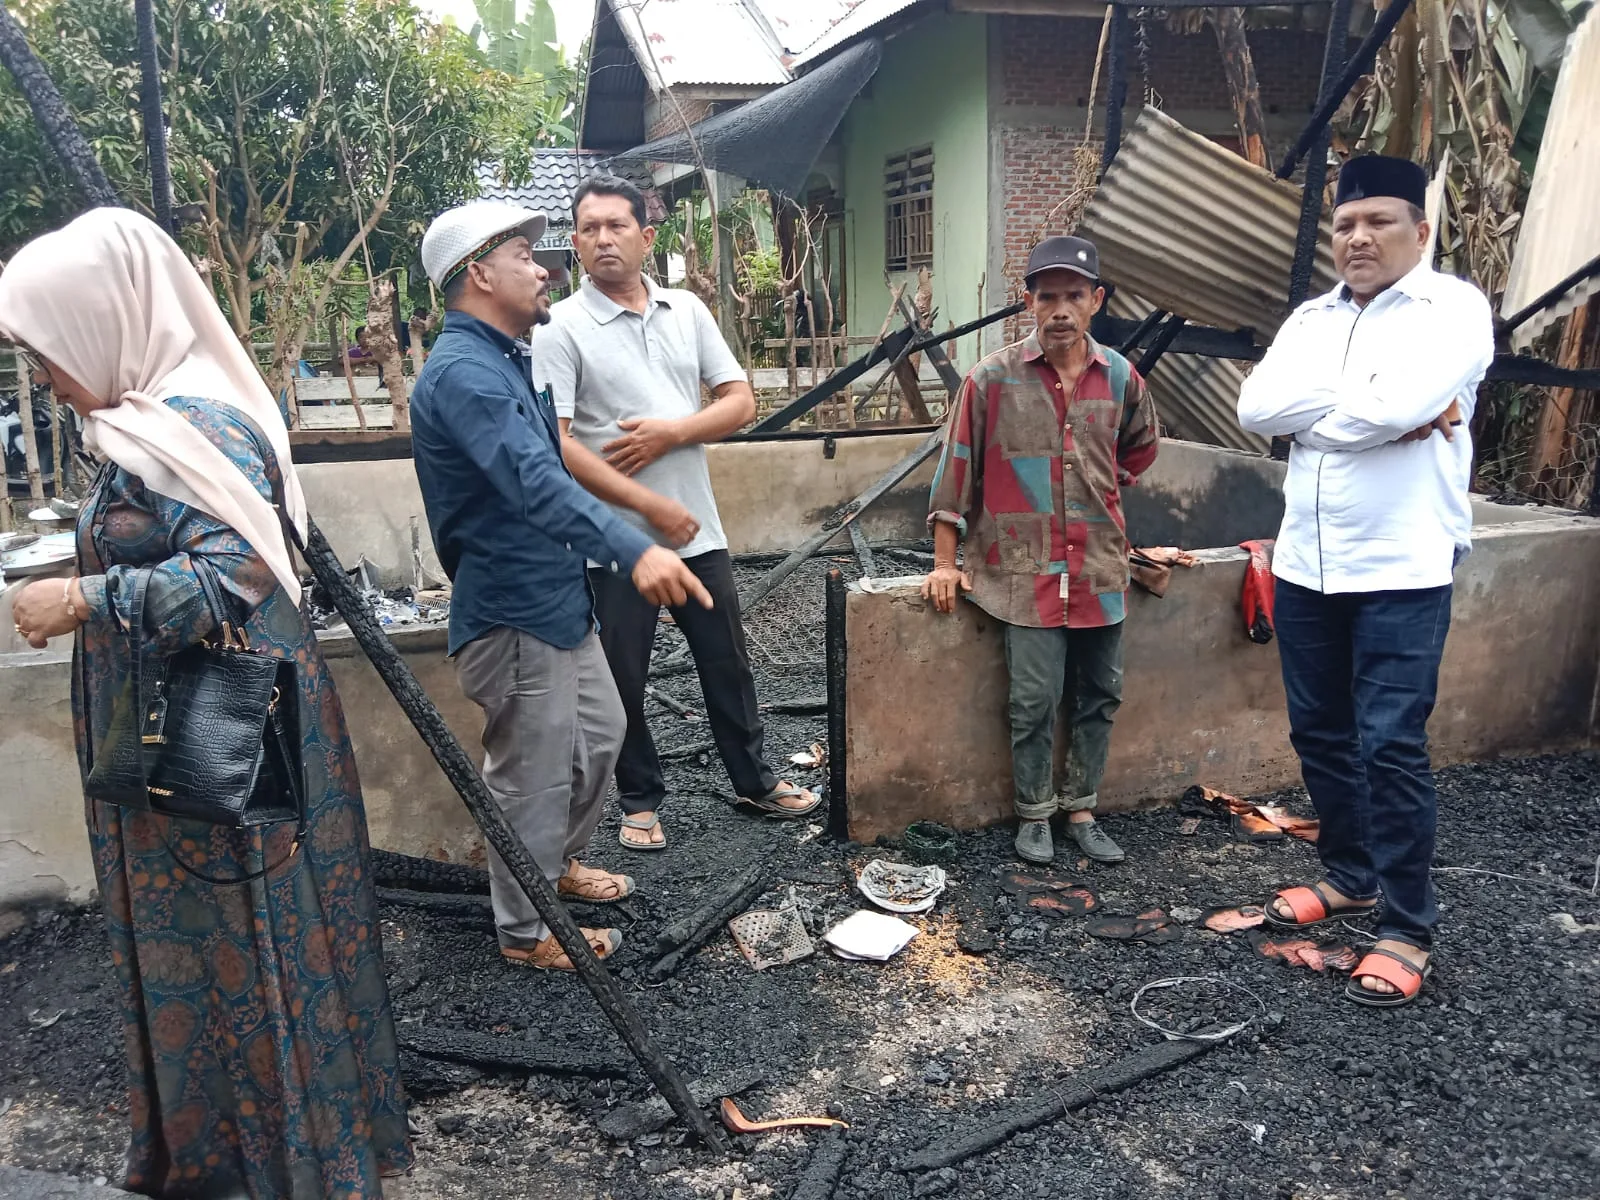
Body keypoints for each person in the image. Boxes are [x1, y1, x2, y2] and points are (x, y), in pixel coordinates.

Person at [1, 207, 412, 1196]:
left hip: (217, 746)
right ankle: (217, 1153)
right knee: (208, 958)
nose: (49, 378)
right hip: (166, 739)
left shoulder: (201, 425)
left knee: (249, 947)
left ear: (109, 320)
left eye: (51, 350)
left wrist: (81, 598)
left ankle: (286, 1167)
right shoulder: (139, 425)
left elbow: (235, 574)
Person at [409, 201, 713, 966]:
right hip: (513, 614)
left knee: (601, 739)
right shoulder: (467, 378)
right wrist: (635, 549)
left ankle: (554, 869)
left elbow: (556, 463)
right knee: (533, 780)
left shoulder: (508, 360)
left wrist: (636, 515)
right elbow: (537, 484)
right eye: (523, 255)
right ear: (479, 273)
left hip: (558, 601)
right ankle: (525, 930)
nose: (545, 267)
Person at [1237, 154, 1494, 1008]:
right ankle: (1350, 873)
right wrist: (1376, 409)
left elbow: (1380, 411)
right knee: (1320, 732)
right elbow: (1255, 409)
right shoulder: (1311, 316)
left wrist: (1354, 415)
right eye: (1346, 224)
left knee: (1391, 743)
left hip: (1402, 565)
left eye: (1379, 221)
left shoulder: (1451, 309)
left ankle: (1407, 926)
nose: (1358, 237)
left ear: (1419, 231)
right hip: (1307, 562)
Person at [529, 175, 820, 852]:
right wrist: (644, 501)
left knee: (727, 661)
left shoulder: (685, 310)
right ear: (573, 243)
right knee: (620, 678)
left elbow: (740, 401)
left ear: (647, 236)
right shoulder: (562, 328)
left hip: (697, 530)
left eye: (617, 225)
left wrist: (671, 434)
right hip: (614, 545)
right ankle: (639, 800)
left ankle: (754, 781)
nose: (604, 238)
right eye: (590, 228)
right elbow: (559, 443)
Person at [923, 235, 1159, 867]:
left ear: (1096, 301)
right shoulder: (991, 379)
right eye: (1047, 296)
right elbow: (956, 472)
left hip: (1099, 565)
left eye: (1074, 296)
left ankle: (1080, 807)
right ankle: (1033, 812)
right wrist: (946, 563)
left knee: (1101, 693)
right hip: (1020, 571)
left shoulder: (1121, 378)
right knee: (1032, 697)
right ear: (1028, 302)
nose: (1060, 309)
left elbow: (1139, 449)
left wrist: (1101, 488)